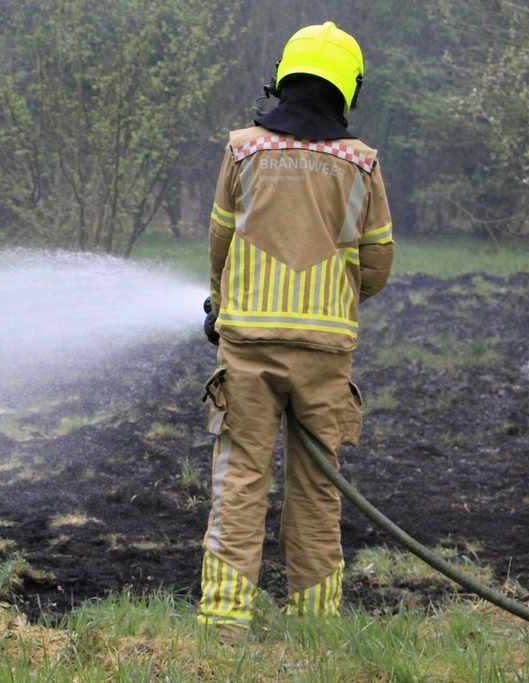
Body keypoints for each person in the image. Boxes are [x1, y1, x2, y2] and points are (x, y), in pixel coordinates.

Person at [198, 23, 394, 641]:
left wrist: (224, 302)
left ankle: (226, 627)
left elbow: (221, 241)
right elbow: (378, 262)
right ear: (347, 88)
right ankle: (314, 628)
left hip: (248, 350)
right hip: (325, 359)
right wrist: (338, 297)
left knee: (240, 481)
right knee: (317, 493)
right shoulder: (362, 164)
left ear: (284, 75)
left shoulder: (242, 150)